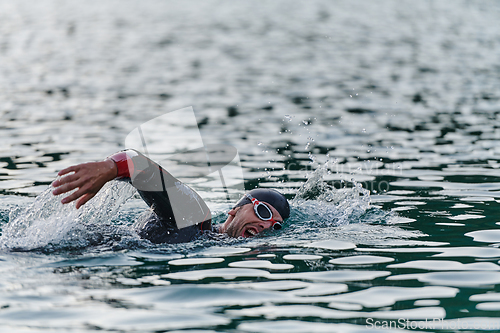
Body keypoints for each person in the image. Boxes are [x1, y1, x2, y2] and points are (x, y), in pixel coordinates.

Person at [51, 149, 290, 244]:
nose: (267, 224)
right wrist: (109, 168)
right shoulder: (197, 216)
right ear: (235, 210)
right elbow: (140, 166)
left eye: (276, 226)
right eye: (263, 212)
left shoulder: (205, 239)